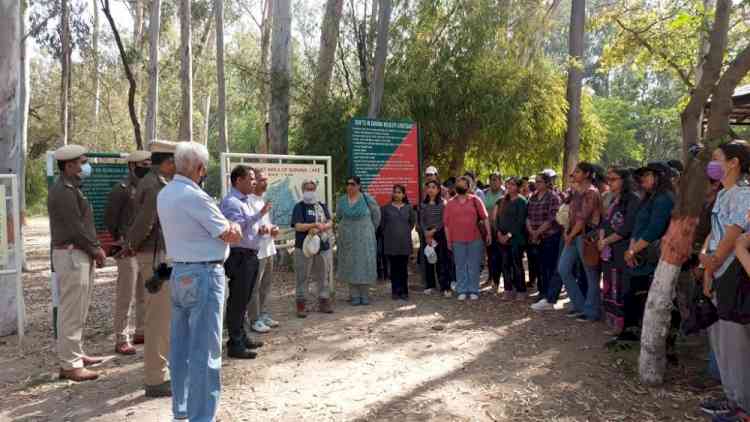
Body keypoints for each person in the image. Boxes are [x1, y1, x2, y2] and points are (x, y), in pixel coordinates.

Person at [157, 141, 243, 422]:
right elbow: (227, 234)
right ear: (199, 168)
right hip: (205, 274)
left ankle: (181, 409)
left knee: (180, 349)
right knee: (205, 351)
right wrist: (237, 227)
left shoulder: (166, 193)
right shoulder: (196, 197)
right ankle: (202, 416)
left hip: (180, 272)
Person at [697, 141, 750, 420]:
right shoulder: (722, 194)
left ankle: (742, 404)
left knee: (735, 343)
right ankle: (732, 397)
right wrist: (707, 267)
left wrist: (714, 262)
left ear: (733, 163)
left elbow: (733, 233)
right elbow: (714, 233)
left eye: (717, 158)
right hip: (717, 273)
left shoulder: (744, 194)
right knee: (720, 340)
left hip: (733, 276)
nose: (712, 163)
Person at [48, 144, 106, 382]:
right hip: (72, 253)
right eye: (82, 162)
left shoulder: (72, 188)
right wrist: (96, 250)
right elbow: (76, 228)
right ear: (69, 165)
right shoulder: (63, 191)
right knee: (71, 310)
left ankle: (75, 354)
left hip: (78, 254)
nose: (85, 166)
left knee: (78, 308)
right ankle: (70, 364)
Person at [126, 140, 177, 397]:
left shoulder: (157, 183)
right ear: (167, 163)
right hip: (154, 256)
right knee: (157, 317)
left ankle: (161, 369)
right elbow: (146, 223)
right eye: (174, 162)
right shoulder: (155, 186)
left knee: (163, 314)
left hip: (160, 255)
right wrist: (130, 246)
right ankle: (155, 378)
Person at [620, 162, 675, 340]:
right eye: (642, 175)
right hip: (640, 254)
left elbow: (654, 230)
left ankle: (638, 335)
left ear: (659, 176)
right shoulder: (651, 197)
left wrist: (632, 251)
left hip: (651, 258)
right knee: (634, 296)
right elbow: (639, 225)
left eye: (648, 175)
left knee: (639, 297)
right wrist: (631, 249)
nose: (642, 179)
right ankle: (633, 332)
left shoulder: (664, 198)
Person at [219, 165, 269, 359]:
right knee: (238, 300)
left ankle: (241, 336)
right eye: (250, 178)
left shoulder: (245, 201)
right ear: (238, 180)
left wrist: (260, 229)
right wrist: (258, 215)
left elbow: (249, 228)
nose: (254, 181)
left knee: (244, 299)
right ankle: (235, 344)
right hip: (238, 255)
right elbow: (237, 228)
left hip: (250, 254)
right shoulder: (232, 202)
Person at [104, 150, 151, 355]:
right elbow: (110, 218)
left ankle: (140, 331)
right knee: (126, 294)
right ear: (132, 165)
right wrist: (121, 240)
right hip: (127, 249)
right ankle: (121, 337)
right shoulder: (121, 189)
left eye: (150, 163)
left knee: (144, 292)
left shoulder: (148, 187)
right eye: (144, 163)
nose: (148, 166)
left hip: (144, 247)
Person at [597, 167, 640, 335]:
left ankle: (622, 325)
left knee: (621, 286)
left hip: (623, 250)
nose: (610, 182)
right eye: (609, 179)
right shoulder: (612, 199)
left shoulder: (633, 200)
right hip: (609, 250)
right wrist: (602, 239)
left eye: (614, 179)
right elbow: (604, 222)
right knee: (609, 283)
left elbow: (627, 227)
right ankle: (612, 319)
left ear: (624, 180)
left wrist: (606, 240)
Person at [558, 162, 602, 322]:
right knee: (563, 269)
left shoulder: (591, 193)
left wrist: (570, 235)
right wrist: (566, 231)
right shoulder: (575, 192)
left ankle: (591, 312)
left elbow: (583, 218)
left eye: (577, 172)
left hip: (586, 237)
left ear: (587, 174)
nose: (574, 174)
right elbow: (570, 214)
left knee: (591, 274)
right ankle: (580, 305)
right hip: (573, 235)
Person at [291, 178, 334, 316]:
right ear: (303, 191)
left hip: (323, 246)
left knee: (323, 276)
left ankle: (324, 301)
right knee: (302, 276)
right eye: (307, 189)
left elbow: (329, 222)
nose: (310, 191)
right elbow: (297, 226)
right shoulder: (299, 206)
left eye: (312, 189)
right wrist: (313, 226)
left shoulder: (321, 205)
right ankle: (301, 304)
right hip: (304, 247)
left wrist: (322, 227)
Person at [444, 176, 492, 300]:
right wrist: (448, 240)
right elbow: (447, 225)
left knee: (473, 265)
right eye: (458, 183)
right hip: (457, 239)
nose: (460, 186)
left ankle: (473, 290)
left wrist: (489, 233)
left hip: (475, 238)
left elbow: (485, 218)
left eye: (463, 184)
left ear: (468, 186)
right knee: (460, 265)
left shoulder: (475, 200)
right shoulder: (450, 203)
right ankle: (462, 290)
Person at [336, 176, 381, 305]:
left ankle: (365, 294)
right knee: (350, 263)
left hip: (364, 237)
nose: (350, 186)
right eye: (348, 184)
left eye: (353, 184)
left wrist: (369, 229)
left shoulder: (367, 199)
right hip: (348, 237)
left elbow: (376, 216)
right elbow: (338, 216)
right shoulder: (342, 200)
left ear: (359, 186)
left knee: (365, 263)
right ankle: (354, 294)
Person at [246, 170, 280, 334]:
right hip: (256, 251)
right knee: (254, 286)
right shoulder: (247, 201)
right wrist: (260, 230)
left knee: (265, 285)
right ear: (253, 182)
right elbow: (248, 225)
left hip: (268, 248)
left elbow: (265, 222)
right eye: (261, 180)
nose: (265, 183)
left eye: (266, 180)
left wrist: (273, 229)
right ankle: (254, 319)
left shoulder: (262, 200)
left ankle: (263, 313)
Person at [528, 172, 563, 311]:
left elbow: (551, 219)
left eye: (540, 181)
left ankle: (549, 295)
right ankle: (541, 292)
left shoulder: (553, 197)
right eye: (536, 181)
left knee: (549, 266)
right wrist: (531, 231)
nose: (537, 184)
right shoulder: (533, 197)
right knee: (539, 266)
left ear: (547, 183)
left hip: (550, 236)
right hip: (535, 237)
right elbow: (528, 216)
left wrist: (537, 232)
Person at [493, 177, 528, 300]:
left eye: (513, 184)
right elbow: (497, 218)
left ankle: (521, 290)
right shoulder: (503, 200)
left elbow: (519, 222)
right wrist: (498, 233)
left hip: (516, 239)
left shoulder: (521, 201)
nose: (509, 186)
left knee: (516, 264)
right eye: (508, 184)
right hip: (501, 238)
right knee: (505, 264)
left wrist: (508, 235)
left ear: (518, 187)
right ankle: (508, 289)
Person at [381, 185, 417, 300]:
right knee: (394, 269)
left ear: (404, 195)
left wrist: (403, 231)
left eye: (399, 192)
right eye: (395, 192)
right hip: (391, 243)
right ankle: (395, 291)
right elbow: (382, 225)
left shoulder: (409, 208)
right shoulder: (386, 208)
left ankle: (404, 291)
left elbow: (412, 223)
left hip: (404, 244)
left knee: (403, 269)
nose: (397, 194)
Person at [420, 180, 450, 297]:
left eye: (434, 187)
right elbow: (421, 220)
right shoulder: (423, 204)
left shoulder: (443, 203)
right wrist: (426, 233)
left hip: (439, 234)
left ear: (438, 190)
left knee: (442, 261)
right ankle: (430, 285)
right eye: (429, 187)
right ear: (426, 190)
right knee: (429, 259)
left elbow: (444, 220)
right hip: (427, 235)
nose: (431, 189)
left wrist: (433, 231)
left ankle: (445, 287)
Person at [484, 173, 505, 290]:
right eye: (491, 180)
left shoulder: (504, 193)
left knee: (500, 255)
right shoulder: (485, 193)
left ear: (500, 181)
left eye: (495, 180)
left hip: (500, 229)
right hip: (488, 229)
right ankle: (491, 277)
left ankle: (498, 279)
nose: (493, 182)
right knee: (490, 255)